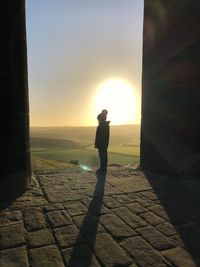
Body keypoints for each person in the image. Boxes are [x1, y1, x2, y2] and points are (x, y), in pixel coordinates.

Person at [95, 109, 110, 174]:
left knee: (103, 156)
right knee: (102, 156)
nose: (98, 121)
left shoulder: (102, 126)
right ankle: (103, 168)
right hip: (102, 144)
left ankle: (103, 169)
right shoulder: (104, 126)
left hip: (102, 144)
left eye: (98, 119)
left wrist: (99, 144)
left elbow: (102, 136)